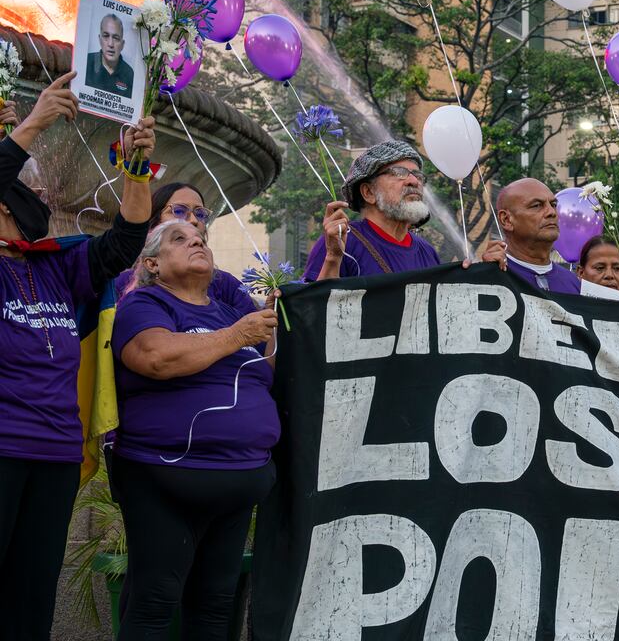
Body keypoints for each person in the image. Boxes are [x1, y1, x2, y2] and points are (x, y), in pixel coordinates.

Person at [0, 71, 154, 639]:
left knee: (31, 599)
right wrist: (36, 119)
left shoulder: (57, 264)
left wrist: (135, 167)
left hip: (54, 453)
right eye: (23, 197)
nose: (40, 198)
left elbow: (126, 240)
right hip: (2, 445)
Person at [111, 221, 278, 639]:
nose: (197, 240)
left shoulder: (227, 311)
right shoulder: (145, 303)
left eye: (200, 237)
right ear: (152, 263)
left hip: (241, 478)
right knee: (154, 601)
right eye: (179, 239)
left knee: (215, 606)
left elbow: (266, 374)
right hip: (167, 476)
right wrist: (238, 334)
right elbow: (155, 357)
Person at [496, 179, 619, 309]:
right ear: (506, 220)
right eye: (536, 205)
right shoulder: (487, 278)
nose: (552, 212)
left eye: (553, 205)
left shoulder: (578, 288)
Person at [307, 141, 440, 281]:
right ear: (369, 192)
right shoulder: (339, 242)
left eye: (418, 175)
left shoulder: (427, 252)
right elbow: (313, 301)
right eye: (399, 173)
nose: (414, 181)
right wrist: (333, 258)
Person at [116, 182, 256, 314]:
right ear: (154, 223)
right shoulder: (122, 285)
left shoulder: (226, 285)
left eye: (200, 213)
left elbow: (260, 335)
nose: (194, 220)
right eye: (179, 211)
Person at [85, 14, 135, 97]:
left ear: (122, 44)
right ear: (99, 40)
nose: (111, 44)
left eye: (116, 38)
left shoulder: (130, 74)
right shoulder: (86, 62)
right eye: (106, 36)